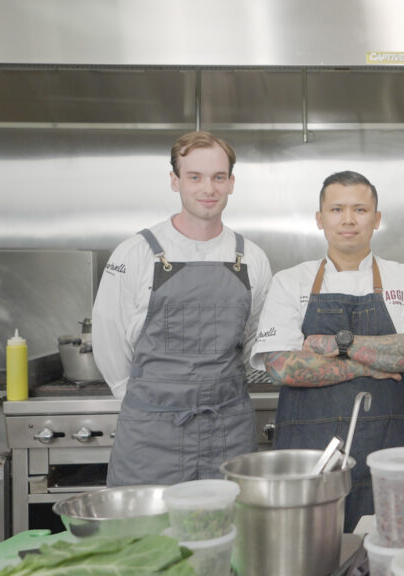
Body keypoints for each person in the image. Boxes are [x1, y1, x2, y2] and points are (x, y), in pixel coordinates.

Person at [250, 170, 404, 532]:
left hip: (391, 449)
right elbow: (282, 366)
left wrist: (335, 346)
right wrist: (367, 366)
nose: (348, 219)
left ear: (377, 218)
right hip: (310, 455)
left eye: (360, 209)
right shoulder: (290, 281)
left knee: (389, 549)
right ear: (320, 218)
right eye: (337, 209)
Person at [93, 131, 272, 486]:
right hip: (151, 433)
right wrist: (151, 404)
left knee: (227, 534)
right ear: (175, 181)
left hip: (227, 429)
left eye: (218, 177)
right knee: (144, 536)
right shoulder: (135, 253)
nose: (208, 188)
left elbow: (254, 342)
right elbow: (108, 339)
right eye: (195, 177)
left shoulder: (251, 258)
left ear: (231, 183)